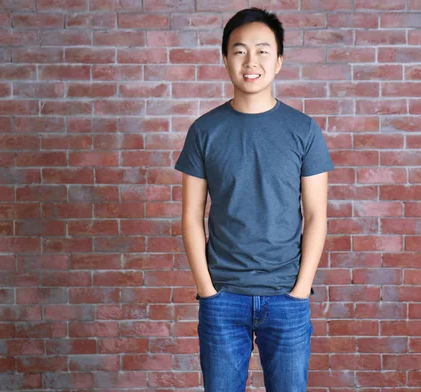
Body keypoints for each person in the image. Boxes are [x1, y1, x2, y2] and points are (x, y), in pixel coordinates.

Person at [174, 7, 334, 392]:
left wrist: (300, 291)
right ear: (225, 58)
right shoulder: (204, 131)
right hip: (224, 298)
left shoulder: (304, 130)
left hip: (286, 298)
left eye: (263, 51)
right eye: (239, 50)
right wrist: (207, 291)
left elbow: (316, 216)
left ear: (279, 61)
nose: (251, 61)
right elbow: (191, 217)